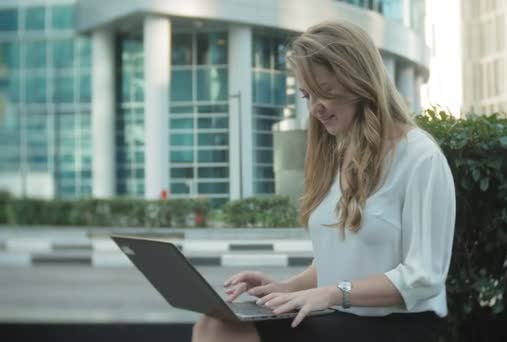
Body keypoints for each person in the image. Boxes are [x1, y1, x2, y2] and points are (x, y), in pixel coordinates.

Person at [192, 20, 456, 342]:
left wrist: (331, 294)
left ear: (358, 81)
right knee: (212, 324)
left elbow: (424, 277)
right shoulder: (341, 153)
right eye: (306, 95)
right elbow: (343, 260)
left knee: (229, 335)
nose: (314, 108)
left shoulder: (420, 158)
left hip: (399, 326)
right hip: (341, 317)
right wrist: (285, 289)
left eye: (325, 93)